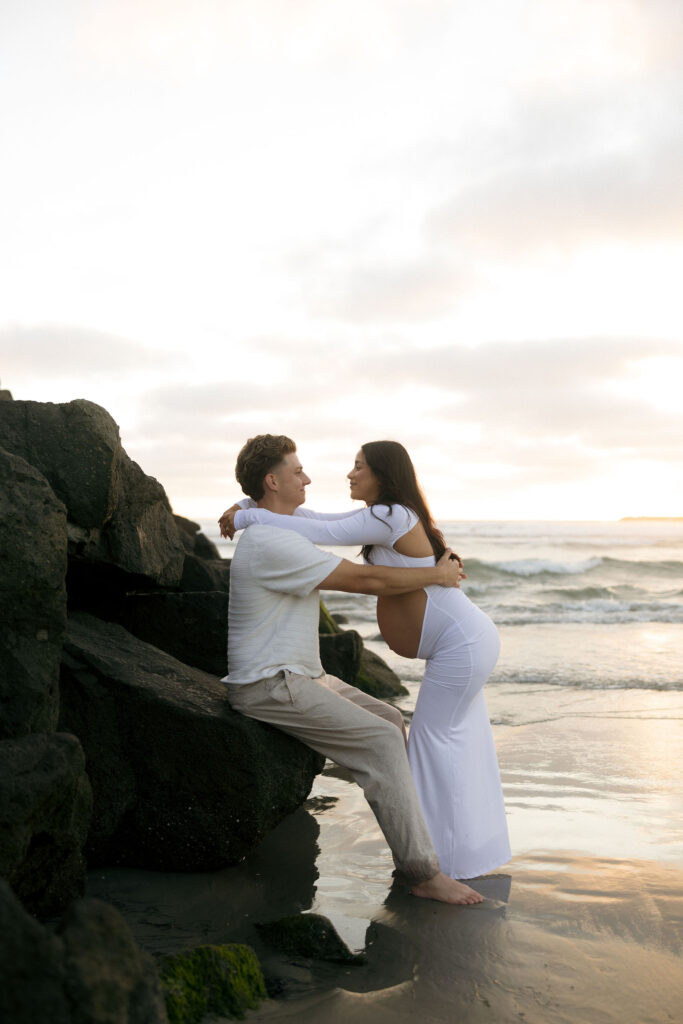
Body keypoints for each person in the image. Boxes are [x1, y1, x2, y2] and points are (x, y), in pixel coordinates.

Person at [220, 440, 510, 882]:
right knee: (385, 739)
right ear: (273, 481)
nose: (311, 478)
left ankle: (434, 841)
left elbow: (317, 524)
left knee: (394, 723)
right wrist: (436, 573)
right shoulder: (272, 541)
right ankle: (425, 871)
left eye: (358, 466)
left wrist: (243, 510)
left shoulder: (377, 516)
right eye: (298, 472)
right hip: (273, 680)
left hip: (305, 673)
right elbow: (365, 578)